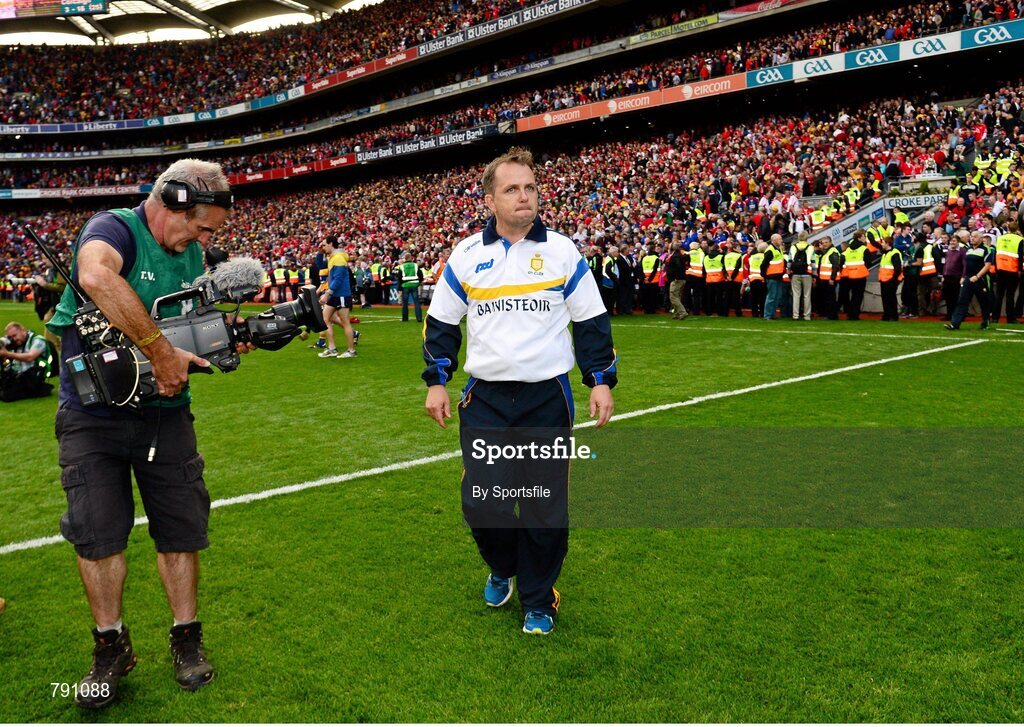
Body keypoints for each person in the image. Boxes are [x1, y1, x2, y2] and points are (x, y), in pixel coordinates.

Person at [46, 159, 250, 710]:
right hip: (94, 417)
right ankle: (110, 646)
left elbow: (190, 328)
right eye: (201, 227)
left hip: (167, 413)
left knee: (181, 527)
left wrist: (220, 346)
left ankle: (187, 636)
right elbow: (94, 276)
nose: (205, 240)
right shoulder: (114, 229)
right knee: (97, 533)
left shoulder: (192, 256)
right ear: (172, 203)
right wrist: (159, 350)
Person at [422, 148, 616, 636]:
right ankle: (503, 566)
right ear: (490, 199)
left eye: (530, 187)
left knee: (543, 504)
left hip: (546, 398)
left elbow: (591, 321)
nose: (524, 196)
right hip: (484, 398)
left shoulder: (562, 251)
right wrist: (437, 381)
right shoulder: (467, 255)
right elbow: (442, 321)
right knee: (482, 502)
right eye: (512, 189)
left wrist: (600, 380)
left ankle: (538, 598)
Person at [318, 237, 358, 359]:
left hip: (341, 294)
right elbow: (320, 265)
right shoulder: (333, 257)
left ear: (331, 244)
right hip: (335, 294)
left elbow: (338, 279)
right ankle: (332, 348)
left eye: (324, 245)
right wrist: (320, 252)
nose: (323, 247)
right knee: (325, 319)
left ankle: (351, 351)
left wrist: (327, 293)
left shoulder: (339, 258)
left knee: (345, 322)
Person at [946, 231, 995, 330]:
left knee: (984, 301)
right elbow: (966, 266)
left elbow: (987, 266)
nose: (972, 238)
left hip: (981, 279)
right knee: (962, 300)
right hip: (968, 279)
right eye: (971, 236)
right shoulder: (968, 250)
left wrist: (977, 276)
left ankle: (986, 323)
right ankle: (954, 324)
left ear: (981, 239)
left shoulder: (986, 249)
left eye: (975, 237)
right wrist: (964, 277)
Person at [0, 321, 53, 402]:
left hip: (34, 378)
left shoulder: (38, 340)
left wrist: (7, 354)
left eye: (15, 335)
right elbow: (4, 342)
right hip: (18, 377)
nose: (14, 339)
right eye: (10, 337)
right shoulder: (15, 341)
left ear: (23, 330)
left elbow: (30, 357)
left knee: (6, 396)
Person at [878, 237, 904, 321]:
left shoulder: (894, 253)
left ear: (887, 243)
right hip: (885, 279)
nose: (881, 244)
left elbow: (897, 269)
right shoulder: (886, 253)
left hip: (890, 280)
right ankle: (888, 315)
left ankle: (892, 315)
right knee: (886, 298)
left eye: (883, 242)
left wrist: (893, 280)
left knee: (890, 298)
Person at [761, 234, 786, 320]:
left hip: (778, 276)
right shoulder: (770, 251)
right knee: (772, 296)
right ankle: (767, 315)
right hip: (771, 277)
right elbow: (763, 265)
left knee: (777, 296)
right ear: (774, 240)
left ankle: (772, 314)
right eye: (779, 239)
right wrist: (763, 276)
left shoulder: (778, 249)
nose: (781, 240)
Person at [665, 242, 688, 320]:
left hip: (677, 279)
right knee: (677, 296)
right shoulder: (679, 255)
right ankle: (677, 313)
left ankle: (682, 312)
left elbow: (677, 267)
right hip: (681, 278)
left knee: (673, 296)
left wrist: (675, 277)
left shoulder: (675, 256)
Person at [398, 251, 423, 323]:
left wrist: (399, 288)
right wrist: (419, 282)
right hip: (414, 285)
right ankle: (419, 318)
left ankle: (405, 318)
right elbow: (420, 275)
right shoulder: (415, 265)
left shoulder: (402, 266)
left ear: (405, 259)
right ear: (411, 258)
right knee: (416, 302)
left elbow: (399, 278)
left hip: (405, 285)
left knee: (405, 303)